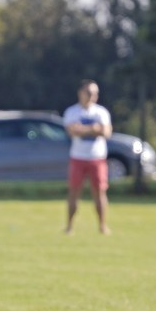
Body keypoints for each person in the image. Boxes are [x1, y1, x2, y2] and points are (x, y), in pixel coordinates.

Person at [64, 79, 112, 234]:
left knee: (100, 193)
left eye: (96, 93)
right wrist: (95, 128)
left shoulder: (101, 112)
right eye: (90, 92)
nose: (93, 96)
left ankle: (102, 226)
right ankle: (69, 226)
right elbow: (72, 131)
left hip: (97, 158)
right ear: (81, 93)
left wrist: (83, 128)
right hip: (78, 157)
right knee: (74, 192)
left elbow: (106, 132)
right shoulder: (72, 112)